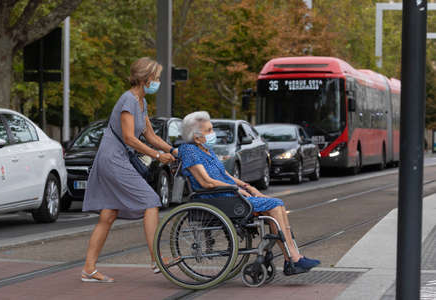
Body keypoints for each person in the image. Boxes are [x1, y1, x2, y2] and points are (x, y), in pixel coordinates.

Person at [178, 111, 320, 275]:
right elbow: (206, 182)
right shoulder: (190, 151)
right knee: (275, 206)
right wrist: (235, 189)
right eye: (209, 130)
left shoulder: (206, 150)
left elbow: (225, 175)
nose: (213, 134)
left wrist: (247, 186)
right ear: (196, 137)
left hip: (230, 196)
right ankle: (292, 259)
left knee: (277, 207)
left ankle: (294, 257)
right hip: (219, 199)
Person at [81, 57, 177, 283]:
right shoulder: (128, 100)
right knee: (151, 201)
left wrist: (174, 149)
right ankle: (156, 260)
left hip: (115, 158)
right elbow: (129, 138)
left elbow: (150, 135)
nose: (158, 82)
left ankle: (88, 268)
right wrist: (156, 155)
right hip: (113, 159)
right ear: (146, 79)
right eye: (156, 78)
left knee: (108, 214)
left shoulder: (141, 103)